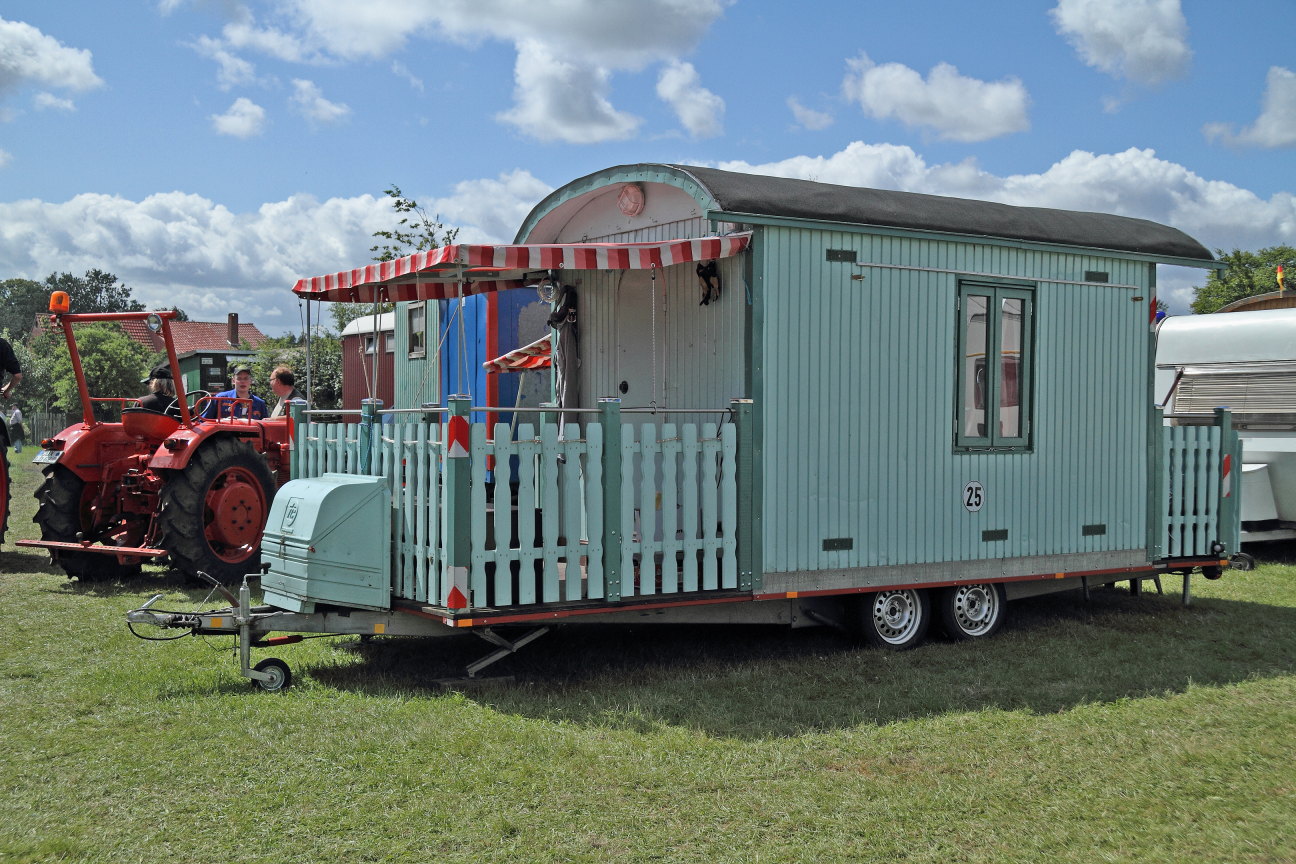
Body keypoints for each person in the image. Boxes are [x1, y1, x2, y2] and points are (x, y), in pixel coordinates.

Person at [202, 365, 267, 420]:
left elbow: (266, 427)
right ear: (233, 381)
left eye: (246, 378)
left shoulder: (260, 404)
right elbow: (204, 421)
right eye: (239, 378)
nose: (242, 381)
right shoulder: (220, 399)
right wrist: (224, 421)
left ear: (251, 381)